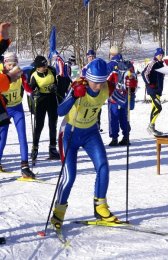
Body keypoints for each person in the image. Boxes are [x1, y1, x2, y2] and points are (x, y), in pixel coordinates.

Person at [50, 58, 137, 229]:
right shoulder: (77, 85)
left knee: (103, 166)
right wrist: (74, 95)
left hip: (90, 133)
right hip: (69, 132)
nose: (97, 86)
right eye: (94, 82)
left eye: (101, 81)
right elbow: (60, 111)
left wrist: (130, 90)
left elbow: (128, 105)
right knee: (70, 176)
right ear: (88, 77)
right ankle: (58, 212)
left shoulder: (107, 86)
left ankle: (101, 207)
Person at [0, 52, 35, 178]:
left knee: (22, 136)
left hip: (17, 108)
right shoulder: (1, 74)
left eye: (14, 64)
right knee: (2, 137)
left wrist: (32, 91)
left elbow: (28, 89)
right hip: (4, 110)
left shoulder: (20, 74)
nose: (12, 67)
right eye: (9, 64)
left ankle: (25, 166)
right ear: (5, 64)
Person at [29, 55, 60, 162]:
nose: (44, 67)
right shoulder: (33, 74)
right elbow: (30, 90)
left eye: (45, 65)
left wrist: (55, 87)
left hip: (51, 99)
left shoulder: (52, 70)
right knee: (39, 125)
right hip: (41, 100)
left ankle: (52, 148)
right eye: (42, 66)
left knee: (53, 124)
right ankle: (35, 147)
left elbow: (58, 83)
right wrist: (34, 92)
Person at [141, 48, 165, 135]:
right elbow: (144, 73)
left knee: (154, 108)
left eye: (162, 55)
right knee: (159, 108)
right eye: (159, 55)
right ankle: (150, 126)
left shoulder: (161, 64)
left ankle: (152, 127)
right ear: (156, 55)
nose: (161, 56)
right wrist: (149, 83)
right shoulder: (153, 63)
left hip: (158, 90)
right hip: (153, 90)